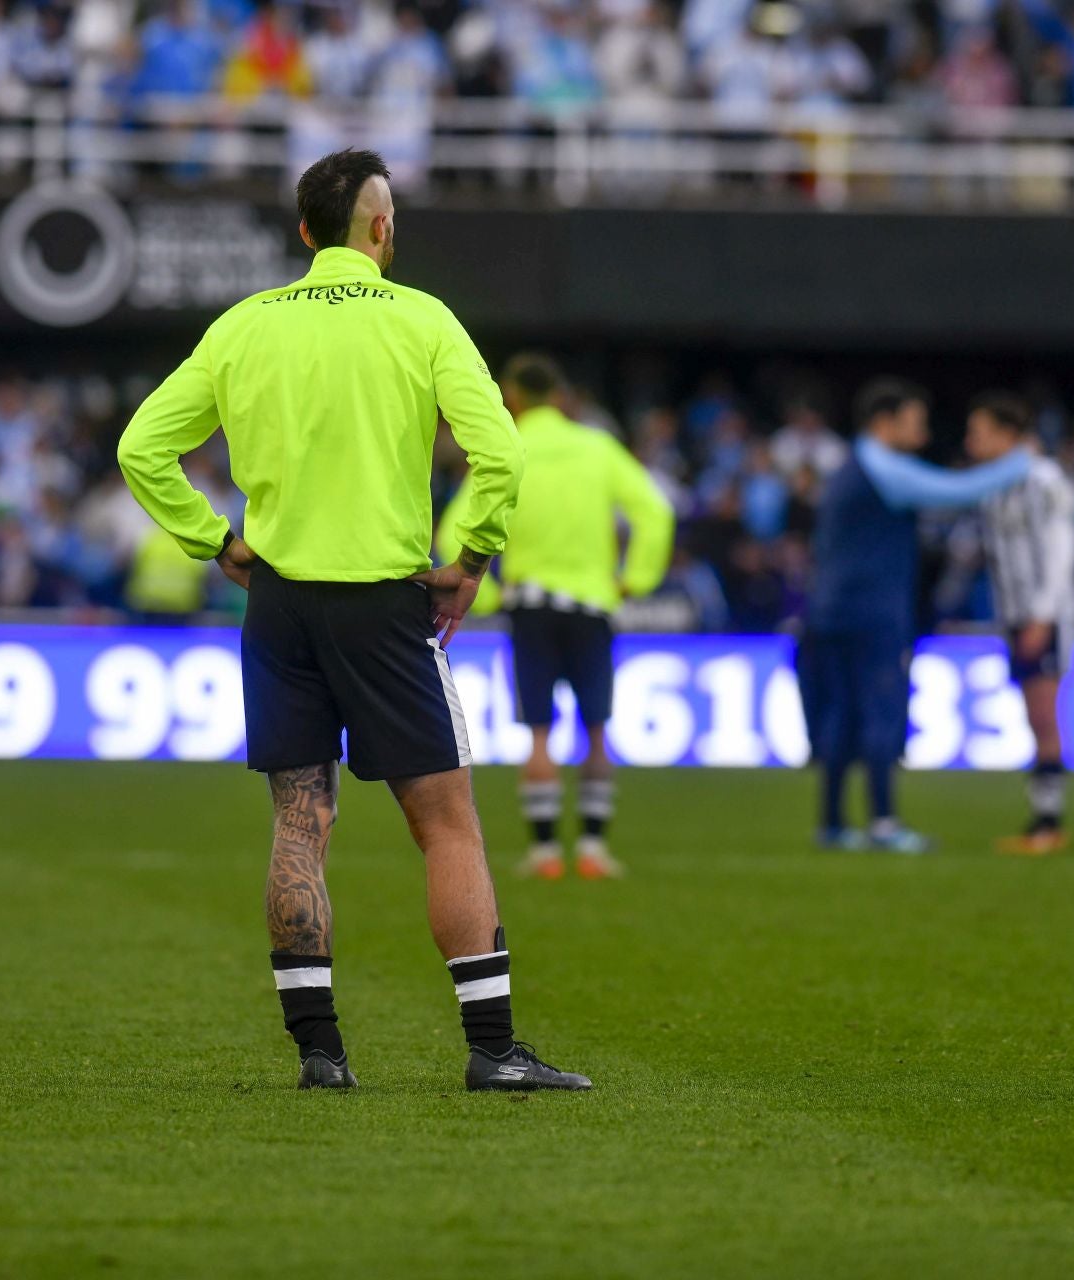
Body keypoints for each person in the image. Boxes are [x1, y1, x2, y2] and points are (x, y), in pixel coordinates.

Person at [115, 149, 589, 1093]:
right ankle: (493, 1051)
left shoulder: (245, 325)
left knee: (300, 819)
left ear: (303, 233)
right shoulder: (421, 319)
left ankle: (320, 1055)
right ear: (379, 230)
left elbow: (142, 448)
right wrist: (474, 559)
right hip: (384, 601)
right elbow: (501, 457)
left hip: (281, 602)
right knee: (445, 823)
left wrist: (218, 543)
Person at [437, 353, 673, 881]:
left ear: (513, 398)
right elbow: (654, 511)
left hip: (532, 605)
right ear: (561, 396)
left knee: (539, 733)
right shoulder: (598, 448)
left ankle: (544, 853)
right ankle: (593, 848)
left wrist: (490, 593)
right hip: (591, 604)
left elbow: (451, 531)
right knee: (595, 730)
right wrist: (636, 577)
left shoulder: (508, 449)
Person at [798, 378, 1030, 854]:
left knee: (841, 715)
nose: (922, 433)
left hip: (833, 608)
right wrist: (1023, 460)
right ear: (885, 423)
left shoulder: (851, 466)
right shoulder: (882, 467)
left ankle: (834, 824)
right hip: (872, 611)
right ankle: (884, 822)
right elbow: (956, 491)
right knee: (881, 711)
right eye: (914, 422)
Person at [966, 393, 1074, 856]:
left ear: (1007, 434)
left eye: (979, 431)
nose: (971, 441)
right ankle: (1043, 819)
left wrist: (1042, 613)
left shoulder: (1042, 479)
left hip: (1041, 614)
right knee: (1034, 716)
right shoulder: (997, 483)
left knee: (1043, 715)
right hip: (1016, 614)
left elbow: (1061, 549)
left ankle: (1049, 822)